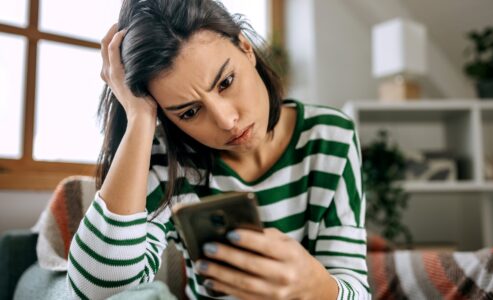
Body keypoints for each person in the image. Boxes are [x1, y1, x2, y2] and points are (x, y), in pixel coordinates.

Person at [66, 0, 370, 299]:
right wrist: (139, 117)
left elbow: (355, 287)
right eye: (188, 112)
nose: (226, 121)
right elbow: (94, 289)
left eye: (226, 82)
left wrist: (319, 289)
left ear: (246, 47)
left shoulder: (331, 135)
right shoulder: (166, 160)